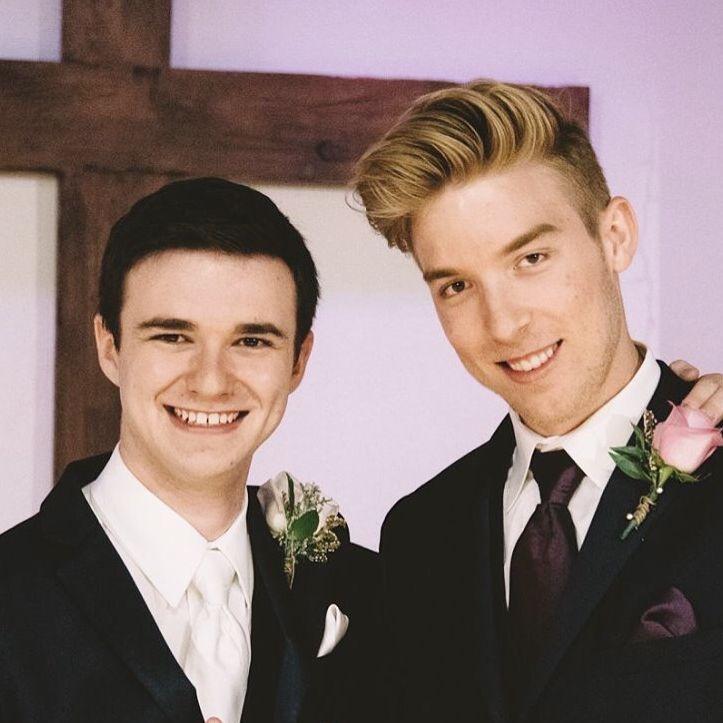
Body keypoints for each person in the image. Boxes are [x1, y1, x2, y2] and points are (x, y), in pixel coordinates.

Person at [354, 81, 723, 722]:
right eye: (456, 286)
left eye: (530, 258)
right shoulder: (419, 534)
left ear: (615, 236)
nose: (503, 324)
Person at [0, 178, 381, 723]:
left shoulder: (366, 589)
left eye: (251, 341)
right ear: (110, 347)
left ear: (298, 361)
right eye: (173, 337)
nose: (210, 382)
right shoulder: (11, 592)